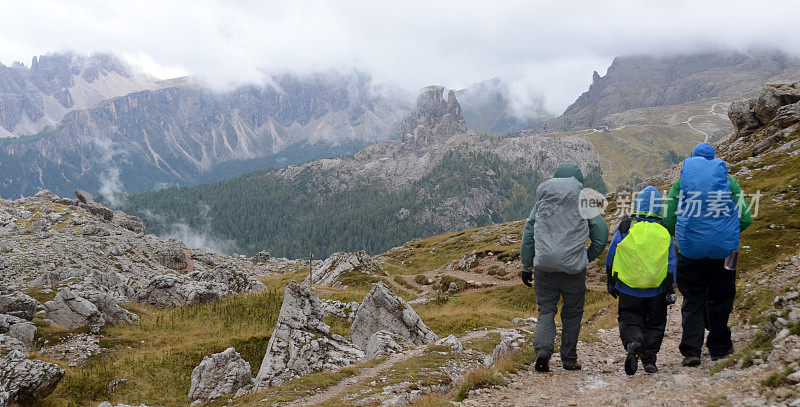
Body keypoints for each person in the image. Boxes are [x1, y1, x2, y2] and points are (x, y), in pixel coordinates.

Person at [663, 142, 752, 367]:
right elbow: (746, 218)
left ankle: (691, 351)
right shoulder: (730, 182)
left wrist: (682, 238)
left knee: (693, 299)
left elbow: (669, 218)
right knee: (722, 298)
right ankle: (719, 348)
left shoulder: (681, 183)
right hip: (726, 253)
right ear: (714, 159)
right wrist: (726, 234)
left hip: (689, 251)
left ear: (692, 158)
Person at [520, 163, 609, 372]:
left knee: (545, 311)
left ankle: (543, 353)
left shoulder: (543, 201)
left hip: (544, 268)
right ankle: (569, 359)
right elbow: (601, 233)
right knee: (572, 314)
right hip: (574, 271)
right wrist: (585, 257)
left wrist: (526, 266)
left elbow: (528, 235)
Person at [606, 186, 677, 375]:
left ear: (639, 204)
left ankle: (633, 342)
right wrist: (669, 289)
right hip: (656, 290)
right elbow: (670, 263)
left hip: (629, 288)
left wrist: (611, 281)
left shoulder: (626, 227)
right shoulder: (663, 230)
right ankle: (649, 360)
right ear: (659, 207)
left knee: (629, 318)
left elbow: (612, 254)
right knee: (655, 323)